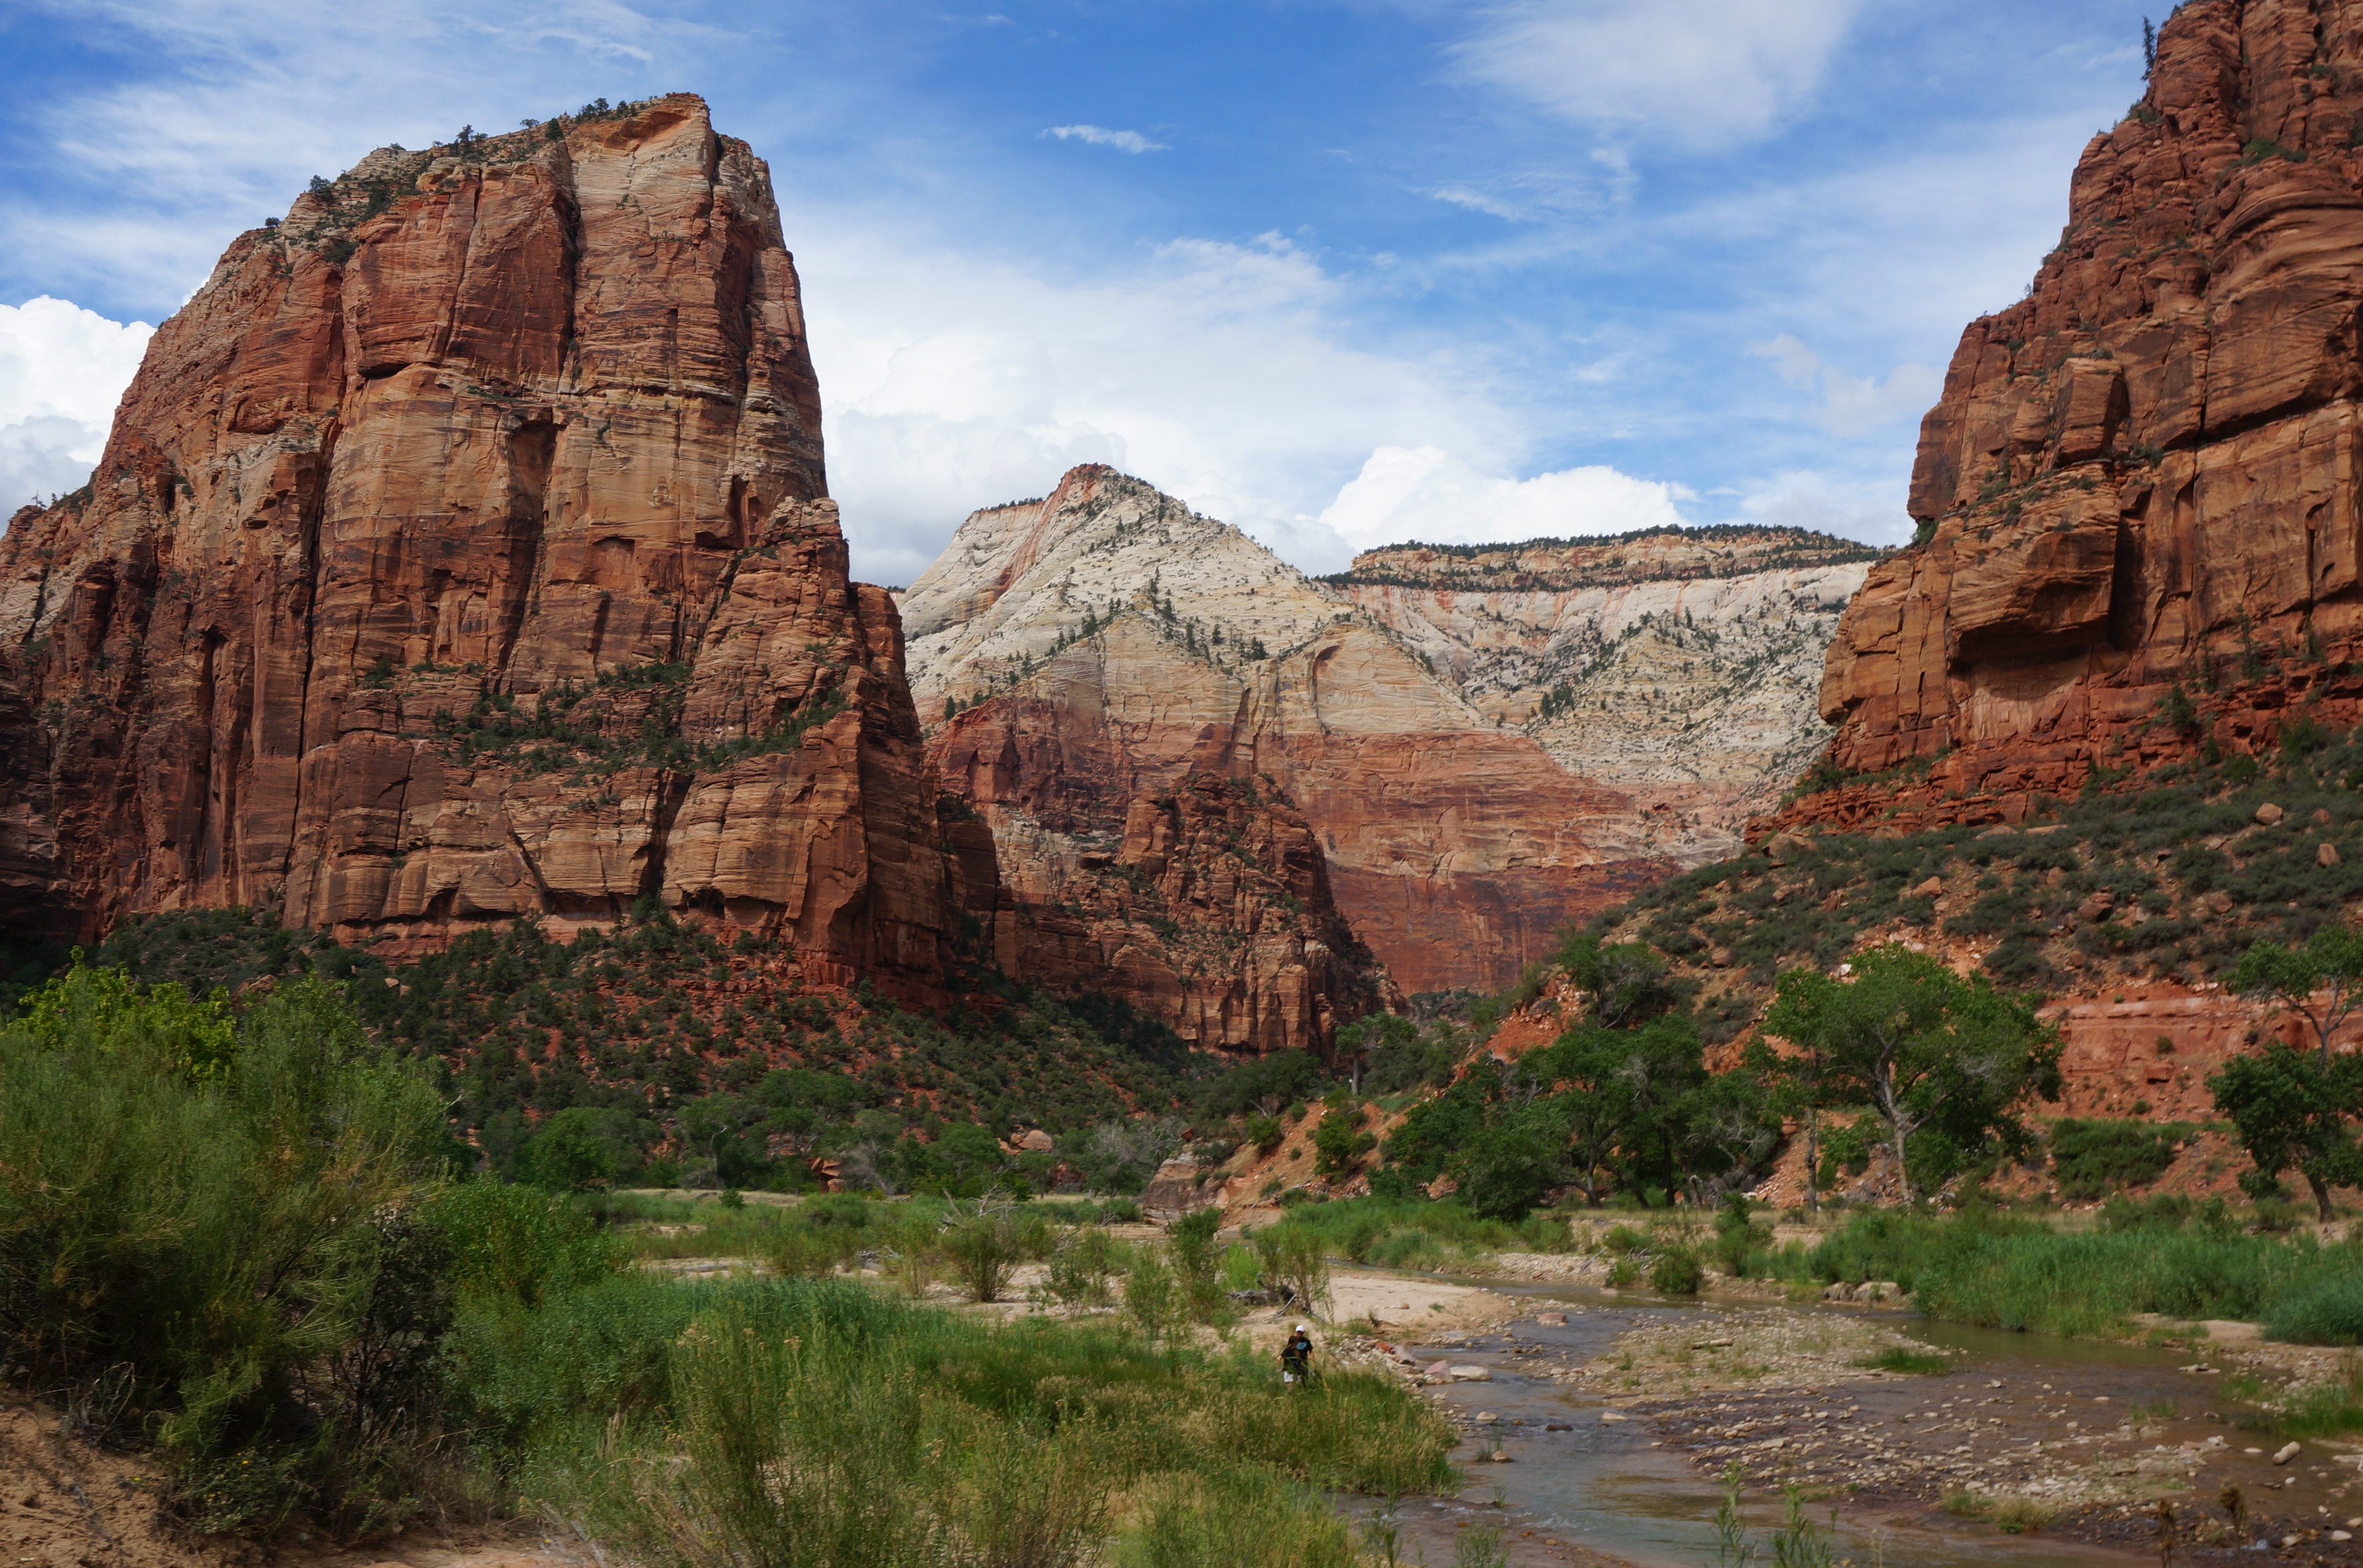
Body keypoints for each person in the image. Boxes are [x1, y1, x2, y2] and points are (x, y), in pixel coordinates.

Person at [1280, 1322, 1314, 1386]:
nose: (1299, 1334)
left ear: (1303, 1333)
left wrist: (1313, 1361)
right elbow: (1288, 1350)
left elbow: (1311, 1351)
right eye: (1298, 1332)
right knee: (1294, 1379)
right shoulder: (1293, 1340)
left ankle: (1304, 1390)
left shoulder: (1306, 1341)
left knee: (1304, 1378)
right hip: (1294, 1363)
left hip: (1303, 1361)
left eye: (1301, 1332)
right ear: (1296, 1332)